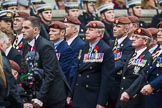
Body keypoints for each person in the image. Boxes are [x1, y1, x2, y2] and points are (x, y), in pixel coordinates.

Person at [21, 16, 70, 108]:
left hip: (53, 96)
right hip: (37, 92)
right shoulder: (25, 45)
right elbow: (25, 70)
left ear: (35, 30)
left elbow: (50, 74)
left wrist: (40, 98)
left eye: (26, 28)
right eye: (22, 27)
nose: (23, 30)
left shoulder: (45, 46)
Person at [67, 20, 115, 108]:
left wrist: (101, 102)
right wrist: (71, 94)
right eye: (87, 29)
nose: (87, 32)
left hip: (92, 94)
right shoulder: (83, 47)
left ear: (100, 33)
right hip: (79, 92)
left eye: (91, 30)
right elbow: (77, 72)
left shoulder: (105, 50)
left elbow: (107, 79)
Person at [116, 28, 152, 108]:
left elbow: (141, 77)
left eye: (137, 37)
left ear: (145, 41)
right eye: (133, 36)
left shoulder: (148, 57)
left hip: (134, 98)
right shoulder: (131, 55)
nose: (133, 39)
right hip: (122, 97)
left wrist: (129, 92)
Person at [0, 32, 32, 108]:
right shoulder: (3, 61)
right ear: (3, 43)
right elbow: (10, 87)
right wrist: (20, 104)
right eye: (6, 45)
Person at [108, 16, 134, 108]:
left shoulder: (130, 45)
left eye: (118, 26)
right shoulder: (111, 43)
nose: (114, 28)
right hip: (108, 83)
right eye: (114, 26)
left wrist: (105, 69)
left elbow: (122, 63)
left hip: (118, 85)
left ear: (126, 29)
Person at [140, 21, 162, 108]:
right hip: (150, 96)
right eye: (159, 31)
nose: (159, 34)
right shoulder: (157, 50)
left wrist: (152, 85)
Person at [64, 16, 85, 85]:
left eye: (66, 27)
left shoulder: (80, 45)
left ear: (75, 30)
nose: (63, 29)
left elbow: (74, 68)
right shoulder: (62, 43)